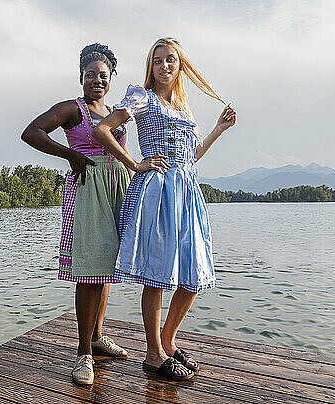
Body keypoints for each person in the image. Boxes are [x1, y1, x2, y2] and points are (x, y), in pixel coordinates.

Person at [92, 37, 236, 381]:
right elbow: (102, 129)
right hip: (156, 190)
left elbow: (192, 155)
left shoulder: (185, 110)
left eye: (170, 60)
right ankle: (153, 353)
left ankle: (168, 339)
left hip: (187, 191)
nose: (164, 66)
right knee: (158, 274)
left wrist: (218, 129)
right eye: (158, 61)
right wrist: (134, 164)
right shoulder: (143, 98)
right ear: (151, 67)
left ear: (180, 65)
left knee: (193, 274)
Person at [21, 43, 130, 385]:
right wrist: (70, 155)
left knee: (107, 266)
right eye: (90, 75)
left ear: (111, 78)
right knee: (89, 267)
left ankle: (98, 337)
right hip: (87, 186)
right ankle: (83, 353)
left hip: (117, 186)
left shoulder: (115, 111)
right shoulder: (73, 109)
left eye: (103, 75)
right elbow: (31, 132)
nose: (97, 80)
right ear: (80, 78)